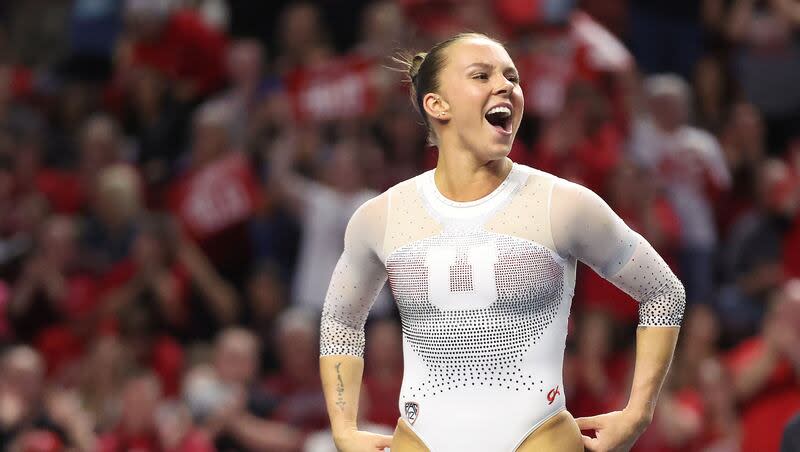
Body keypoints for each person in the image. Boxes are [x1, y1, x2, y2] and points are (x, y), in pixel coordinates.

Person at [319, 32, 685, 452]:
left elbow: (662, 292)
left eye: (512, 77)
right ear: (437, 105)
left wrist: (638, 411)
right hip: (421, 439)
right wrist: (343, 428)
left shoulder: (563, 205)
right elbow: (340, 323)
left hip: (539, 436)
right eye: (481, 75)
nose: (505, 86)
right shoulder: (382, 217)